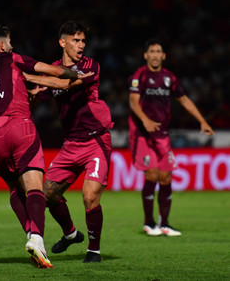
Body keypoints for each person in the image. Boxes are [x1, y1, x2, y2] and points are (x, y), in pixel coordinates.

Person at [0, 25, 86, 268]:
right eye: (10, 41)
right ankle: (37, 239)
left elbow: (2, 94)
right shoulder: (12, 57)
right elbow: (55, 70)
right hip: (18, 128)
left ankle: (31, 235)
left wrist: (28, 94)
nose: (12, 45)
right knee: (35, 186)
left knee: (15, 188)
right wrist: (74, 74)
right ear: (2, 46)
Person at [23, 20, 114, 262]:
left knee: (90, 195)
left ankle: (93, 250)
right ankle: (71, 233)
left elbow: (64, 83)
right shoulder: (52, 69)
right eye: (76, 40)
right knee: (48, 195)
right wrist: (32, 94)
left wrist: (29, 76)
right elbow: (42, 91)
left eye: (83, 40)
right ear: (62, 42)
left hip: (96, 141)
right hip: (71, 144)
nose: (81, 44)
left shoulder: (90, 66)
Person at [128, 38, 215, 237]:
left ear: (164, 56)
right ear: (146, 55)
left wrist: (202, 120)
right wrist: (145, 120)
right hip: (142, 134)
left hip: (162, 134)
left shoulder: (169, 78)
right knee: (152, 175)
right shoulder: (139, 75)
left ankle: (165, 223)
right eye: (152, 51)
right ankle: (149, 222)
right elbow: (133, 102)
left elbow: (183, 99)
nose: (156, 55)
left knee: (166, 177)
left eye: (159, 51)